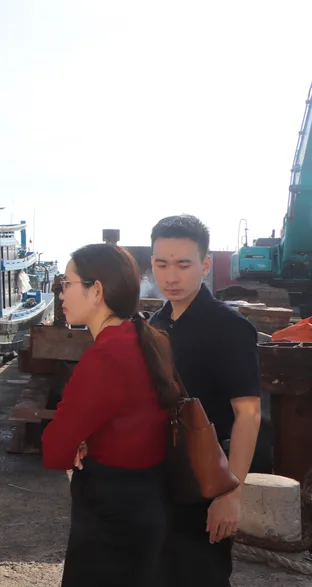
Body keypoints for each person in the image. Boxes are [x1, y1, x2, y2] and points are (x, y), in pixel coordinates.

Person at [42, 243, 179, 586]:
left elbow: (54, 448)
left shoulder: (106, 354)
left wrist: (79, 443)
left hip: (110, 512)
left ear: (97, 290)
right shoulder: (147, 337)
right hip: (148, 499)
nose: (61, 294)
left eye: (67, 283)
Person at [149, 215, 262, 586]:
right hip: (156, 481)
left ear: (206, 264)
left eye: (183, 264)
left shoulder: (229, 328)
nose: (171, 276)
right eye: (161, 264)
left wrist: (232, 494)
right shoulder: (156, 324)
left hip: (205, 485)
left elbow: (248, 414)